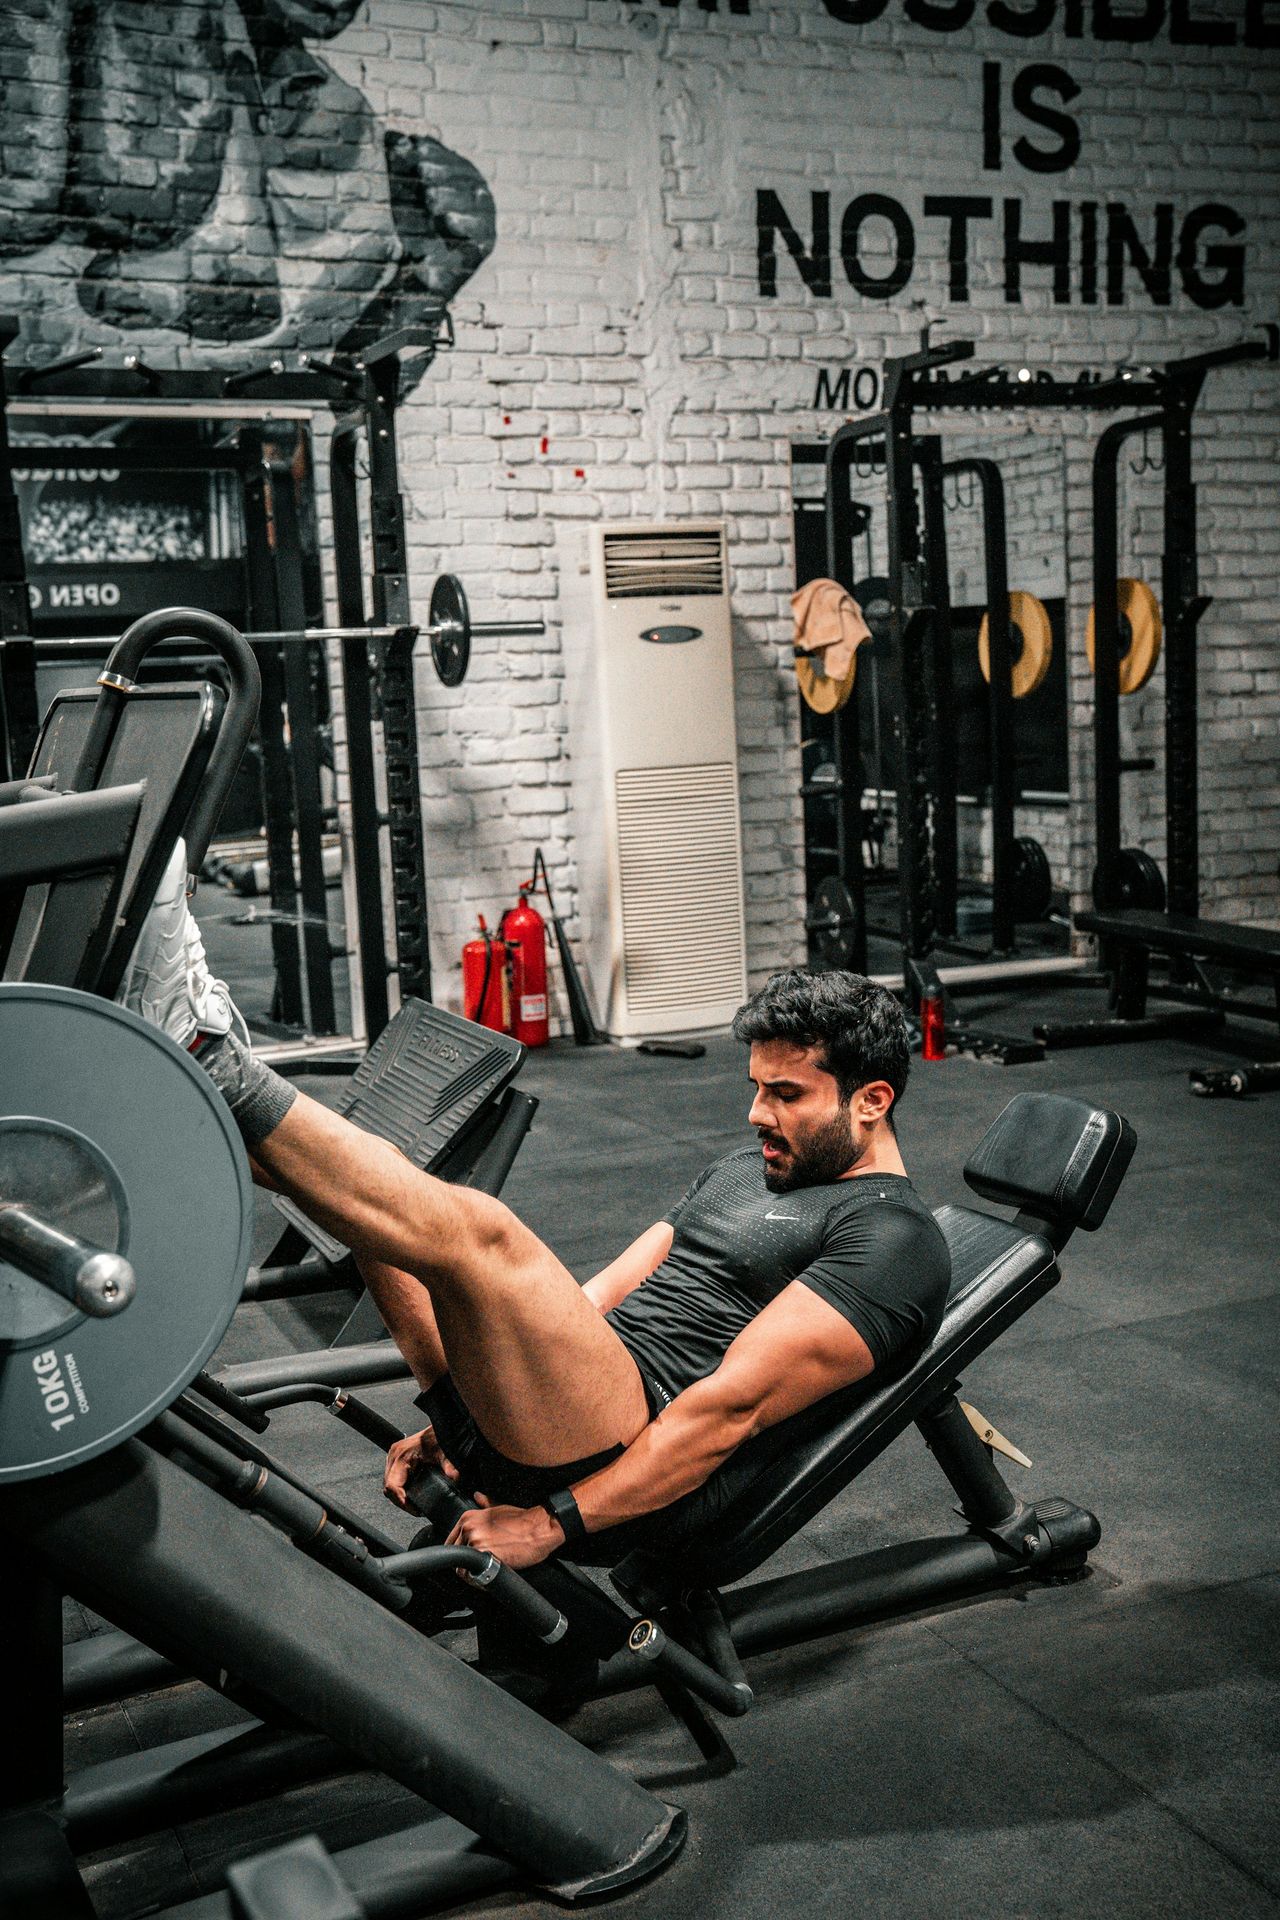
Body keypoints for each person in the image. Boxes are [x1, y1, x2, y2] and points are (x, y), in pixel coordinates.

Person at [121, 843, 951, 1572]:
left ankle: (210, 1054)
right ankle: (174, 1081)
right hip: (553, 1413)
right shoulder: (746, 1170)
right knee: (379, 1217)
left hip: (618, 1459)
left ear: (872, 1100)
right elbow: (597, 1301)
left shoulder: (892, 1238)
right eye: (756, 1088)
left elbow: (726, 1411)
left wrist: (552, 1525)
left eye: (786, 1095)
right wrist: (476, 1413)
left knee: (482, 1232)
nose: (756, 1114)